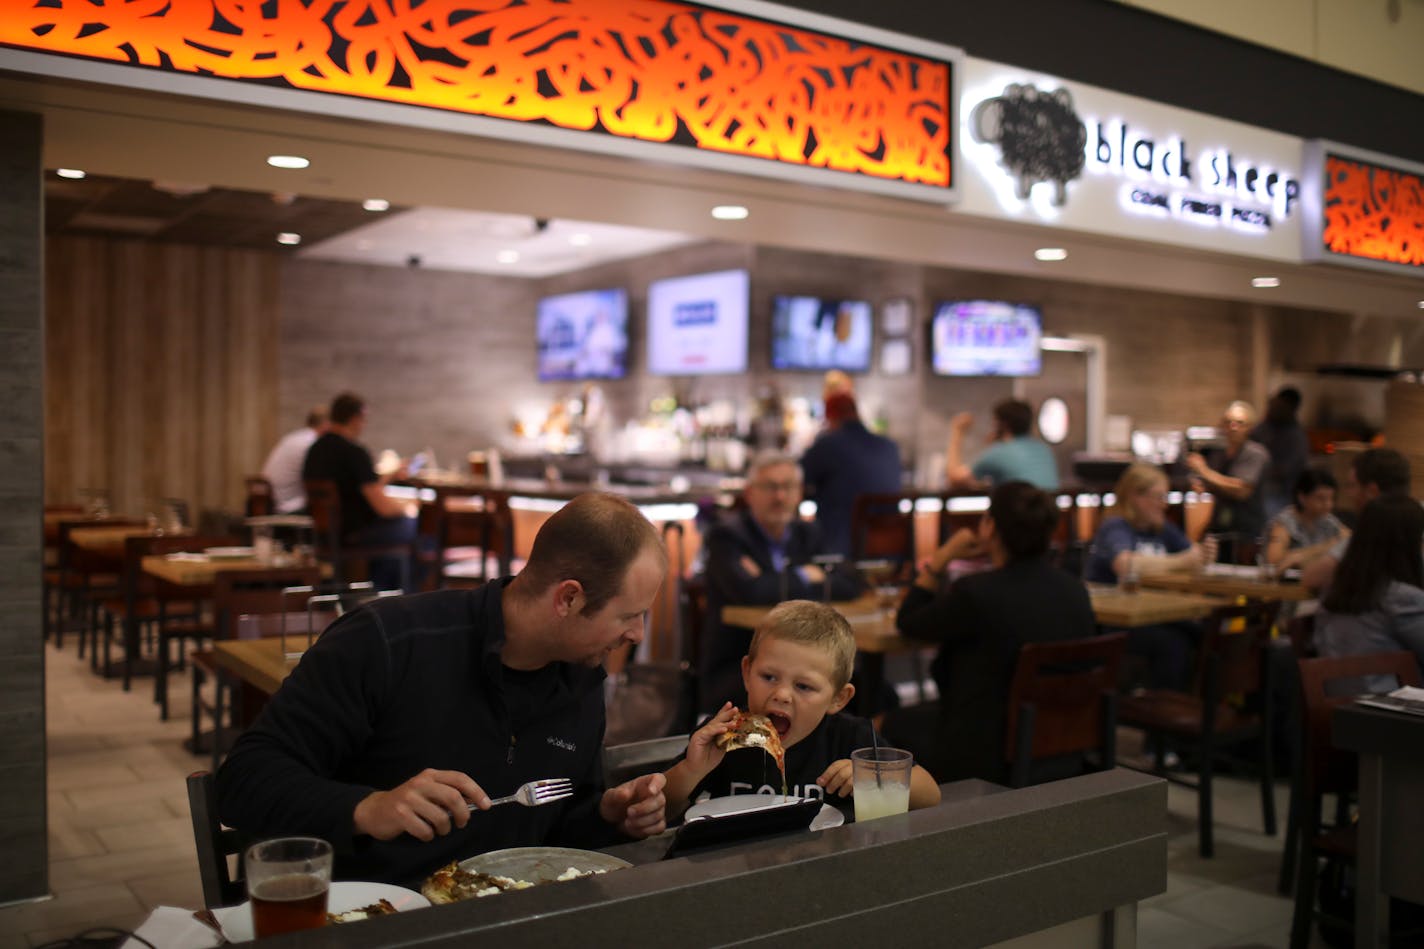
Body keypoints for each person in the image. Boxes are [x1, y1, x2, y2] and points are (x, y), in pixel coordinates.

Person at [216, 493, 671, 883]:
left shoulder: (579, 675)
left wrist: (607, 818)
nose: (638, 635)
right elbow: (243, 782)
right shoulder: (387, 641)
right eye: (629, 615)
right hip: (370, 920)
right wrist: (368, 808)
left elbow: (554, 836)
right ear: (568, 598)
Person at [894, 481, 1097, 783]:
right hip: (1063, 747)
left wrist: (942, 557)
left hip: (982, 750)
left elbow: (908, 621)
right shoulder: (1075, 590)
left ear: (990, 527)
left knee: (883, 723)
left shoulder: (976, 594)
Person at [665, 600, 940, 821]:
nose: (782, 695)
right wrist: (691, 769)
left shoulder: (849, 737)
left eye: (804, 686)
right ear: (747, 673)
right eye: (769, 677)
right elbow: (663, 808)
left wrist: (870, 778)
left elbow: (930, 795)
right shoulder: (725, 733)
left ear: (838, 698)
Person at [700, 451, 861, 713]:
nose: (780, 497)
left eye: (788, 487)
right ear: (750, 493)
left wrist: (770, 581)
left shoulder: (809, 532)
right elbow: (751, 592)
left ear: (799, 493)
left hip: (803, 664)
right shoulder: (726, 536)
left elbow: (850, 582)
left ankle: (855, 751)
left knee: (862, 683)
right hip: (743, 667)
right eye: (770, 487)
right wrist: (806, 574)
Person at [1086, 464, 1216, 690]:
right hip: (1115, 622)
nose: (1164, 505)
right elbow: (1126, 565)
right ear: (1135, 496)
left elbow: (1193, 554)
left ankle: (1192, 706)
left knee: (1203, 633)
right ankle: (1165, 709)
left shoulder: (1160, 527)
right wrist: (1184, 561)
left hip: (1152, 615)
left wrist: (1204, 554)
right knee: (1174, 643)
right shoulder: (1115, 526)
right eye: (1158, 497)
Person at [301, 392, 418, 592]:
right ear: (356, 419)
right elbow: (384, 509)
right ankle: (396, 598)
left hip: (325, 534)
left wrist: (388, 477)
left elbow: (357, 484)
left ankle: (379, 594)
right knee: (417, 528)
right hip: (354, 534)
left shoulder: (315, 449)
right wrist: (410, 507)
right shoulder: (354, 452)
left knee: (399, 536)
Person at [1315, 495, 1424, 683]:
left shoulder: (1333, 591)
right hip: (1389, 706)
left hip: (1337, 704)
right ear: (1409, 544)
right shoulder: (1402, 598)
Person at [799, 392, 903, 558]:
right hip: (891, 547)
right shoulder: (890, 446)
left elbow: (797, 478)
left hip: (839, 546)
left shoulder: (828, 445)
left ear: (830, 418)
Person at [1301, 448, 1413, 594]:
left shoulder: (1375, 529)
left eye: (1352, 486)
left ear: (1372, 491)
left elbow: (1312, 577)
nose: (1349, 494)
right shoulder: (1413, 520)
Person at [1185, 400, 1271, 560]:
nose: (1233, 427)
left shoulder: (1256, 454)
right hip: (1219, 528)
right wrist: (1203, 485)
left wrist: (1203, 470)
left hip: (1246, 533)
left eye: (1239, 423)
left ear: (1250, 427)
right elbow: (1216, 484)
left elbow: (1241, 490)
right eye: (1228, 422)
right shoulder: (1220, 454)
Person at [945, 399, 1058, 491]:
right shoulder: (1044, 449)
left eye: (994, 422)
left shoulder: (999, 452)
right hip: (1050, 517)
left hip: (1016, 517)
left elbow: (954, 478)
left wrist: (957, 431)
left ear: (1002, 425)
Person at [1262, 468, 1347, 573]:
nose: (1328, 505)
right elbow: (1273, 560)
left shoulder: (1328, 521)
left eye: (1331, 499)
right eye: (1321, 499)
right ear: (1302, 497)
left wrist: (1299, 557)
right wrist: (1326, 548)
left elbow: (1349, 540)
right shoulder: (1285, 522)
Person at [1250, 386, 1310, 522]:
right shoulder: (1265, 427)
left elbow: (1283, 471)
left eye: (1277, 406)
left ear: (1290, 408)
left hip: (1281, 495)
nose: (1272, 408)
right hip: (1259, 489)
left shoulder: (1295, 438)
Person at [260, 405, 327, 513]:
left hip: (269, 503)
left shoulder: (291, 438)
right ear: (326, 424)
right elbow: (320, 480)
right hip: (287, 506)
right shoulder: (312, 443)